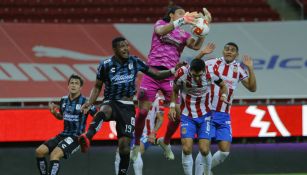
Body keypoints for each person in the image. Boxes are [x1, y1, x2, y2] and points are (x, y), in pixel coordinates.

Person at [78, 36, 182, 175]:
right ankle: (87, 136)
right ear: (115, 49)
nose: (126, 48)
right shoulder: (105, 64)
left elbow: (156, 75)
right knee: (104, 110)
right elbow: (97, 87)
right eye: (122, 46)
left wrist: (172, 71)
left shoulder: (135, 61)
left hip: (127, 107)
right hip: (112, 100)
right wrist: (89, 102)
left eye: (127, 45)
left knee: (124, 148)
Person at [132, 5, 212, 161]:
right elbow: (160, 32)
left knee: (178, 114)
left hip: (170, 75)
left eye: (185, 14)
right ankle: (135, 145)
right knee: (142, 112)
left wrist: (204, 29)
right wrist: (183, 20)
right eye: (181, 13)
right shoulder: (160, 24)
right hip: (152, 73)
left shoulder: (183, 34)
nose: (185, 15)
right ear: (171, 15)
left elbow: (195, 46)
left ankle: (166, 141)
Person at [195, 42, 257, 174]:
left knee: (224, 151)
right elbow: (192, 67)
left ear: (237, 54)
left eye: (233, 50)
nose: (229, 51)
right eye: (227, 49)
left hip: (224, 114)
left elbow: (252, 88)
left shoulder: (239, 69)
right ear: (223, 51)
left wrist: (250, 68)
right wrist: (202, 54)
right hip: (208, 111)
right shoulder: (211, 63)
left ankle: (205, 170)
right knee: (204, 149)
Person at [169, 59, 229, 175]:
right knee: (186, 149)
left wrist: (223, 95)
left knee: (204, 150)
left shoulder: (212, 72)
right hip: (187, 115)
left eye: (199, 75)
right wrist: (172, 106)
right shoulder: (182, 73)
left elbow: (223, 86)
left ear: (204, 70)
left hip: (205, 115)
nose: (196, 78)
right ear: (190, 70)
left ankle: (206, 173)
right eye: (194, 75)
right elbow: (175, 90)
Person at [35, 74, 97, 175]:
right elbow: (61, 116)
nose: (73, 85)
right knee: (39, 151)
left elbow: (98, 116)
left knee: (55, 154)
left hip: (75, 137)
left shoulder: (85, 102)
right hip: (63, 134)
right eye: (71, 83)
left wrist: (89, 133)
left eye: (76, 83)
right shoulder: (63, 100)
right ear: (68, 86)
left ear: (80, 87)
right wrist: (55, 113)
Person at [115, 94, 165, 175]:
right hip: (135, 133)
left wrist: (153, 133)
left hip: (147, 134)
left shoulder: (158, 100)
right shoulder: (141, 95)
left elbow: (161, 119)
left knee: (136, 153)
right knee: (119, 152)